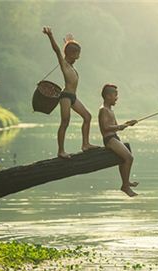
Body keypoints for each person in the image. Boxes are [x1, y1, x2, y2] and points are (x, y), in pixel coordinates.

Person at [42, 26, 98, 159]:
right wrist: (50, 36)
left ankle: (85, 144)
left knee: (88, 117)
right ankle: (61, 151)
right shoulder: (64, 64)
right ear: (72, 54)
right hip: (66, 96)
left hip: (73, 97)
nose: (79, 55)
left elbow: (68, 49)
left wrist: (69, 41)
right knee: (65, 122)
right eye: (78, 53)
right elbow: (57, 51)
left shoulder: (71, 64)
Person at [98, 84, 139, 197]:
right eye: (115, 95)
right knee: (129, 157)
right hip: (109, 139)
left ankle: (126, 182)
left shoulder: (110, 110)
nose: (117, 98)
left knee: (123, 159)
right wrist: (120, 126)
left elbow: (115, 126)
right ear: (107, 96)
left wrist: (127, 124)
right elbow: (105, 127)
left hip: (114, 137)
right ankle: (125, 186)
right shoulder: (103, 110)